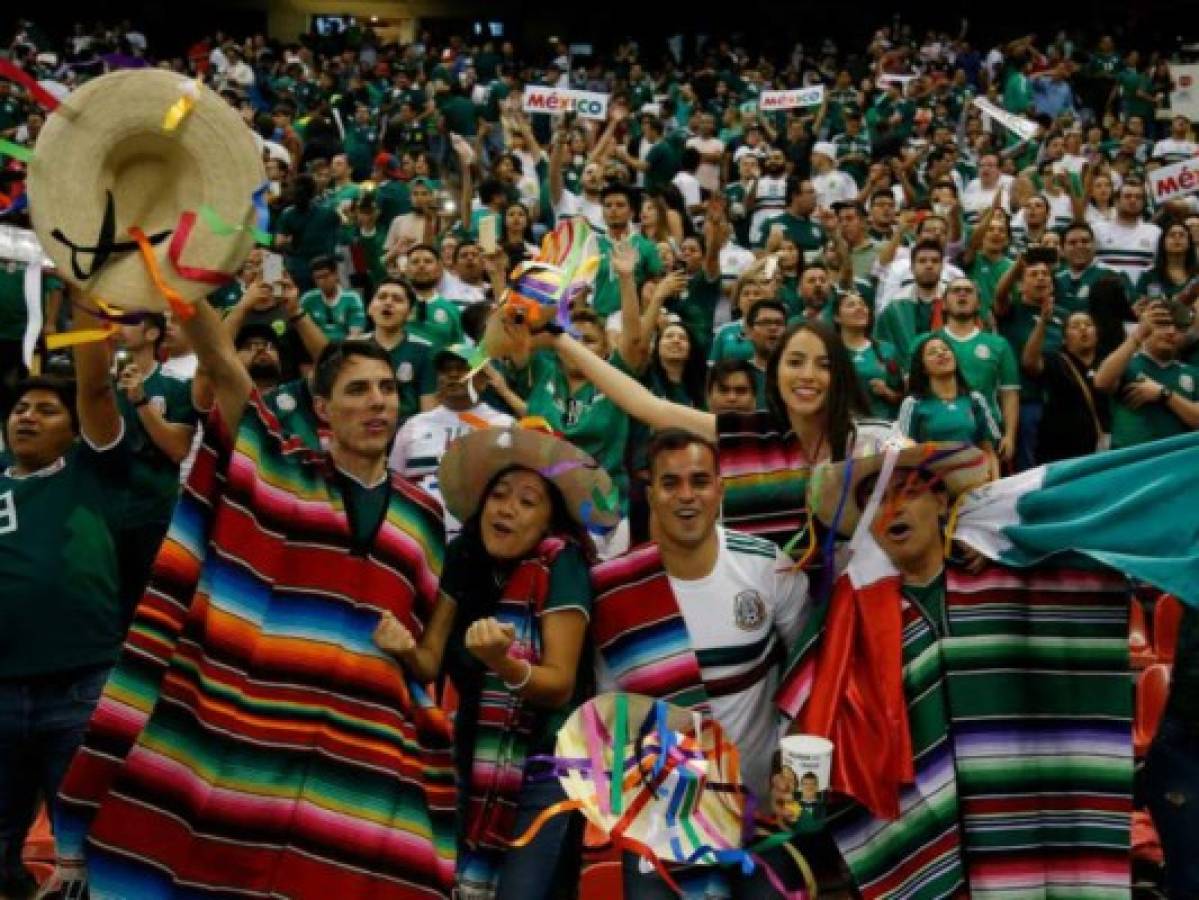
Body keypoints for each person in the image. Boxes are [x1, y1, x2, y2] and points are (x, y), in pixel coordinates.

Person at [55, 304, 459, 898]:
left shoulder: (423, 518)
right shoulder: (284, 475)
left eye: (385, 389)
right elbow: (225, 369)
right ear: (321, 409)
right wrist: (190, 293)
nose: (378, 402)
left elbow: (425, 660)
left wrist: (408, 650)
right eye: (357, 390)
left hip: (365, 745)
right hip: (253, 733)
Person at [773, 442, 1140, 900]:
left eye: (908, 492)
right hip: (921, 830)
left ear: (942, 500)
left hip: (1016, 812)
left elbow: (1097, 554)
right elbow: (816, 722)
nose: (893, 509)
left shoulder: (1003, 579)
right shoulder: (851, 622)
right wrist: (791, 782)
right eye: (875, 501)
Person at [377, 423, 609, 899]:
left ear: (550, 521)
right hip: (466, 760)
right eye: (500, 494)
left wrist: (505, 665)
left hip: (550, 768)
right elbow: (429, 661)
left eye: (528, 501)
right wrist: (402, 647)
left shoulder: (561, 564)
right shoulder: (463, 553)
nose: (507, 508)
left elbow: (561, 684)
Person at [590, 428, 808, 897]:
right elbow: (609, 718)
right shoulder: (615, 590)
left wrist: (792, 771)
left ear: (720, 490)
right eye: (670, 483)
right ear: (650, 494)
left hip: (762, 818)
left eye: (700, 481)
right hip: (660, 822)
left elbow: (809, 679)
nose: (686, 496)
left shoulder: (767, 568)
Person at [489, 311, 888, 554]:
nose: (807, 376)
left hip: (845, 615)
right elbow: (648, 406)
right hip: (763, 613)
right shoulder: (749, 434)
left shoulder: (867, 443)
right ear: (775, 372)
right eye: (795, 362)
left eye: (823, 365)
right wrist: (561, 341)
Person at [0, 306, 128, 900]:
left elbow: (97, 384)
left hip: (78, 686)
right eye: (20, 408)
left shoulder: (89, 470)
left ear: (75, 430)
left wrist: (84, 300)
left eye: (46, 409)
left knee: (86, 852)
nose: (27, 415)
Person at [111, 313, 199, 613]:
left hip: (155, 513)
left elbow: (177, 449)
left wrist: (140, 401)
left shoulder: (176, 386)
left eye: (129, 322)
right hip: (106, 514)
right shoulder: (102, 389)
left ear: (151, 335)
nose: (119, 328)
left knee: (152, 605)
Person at [389, 345, 515, 539]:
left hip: (480, 543)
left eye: (463, 367)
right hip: (420, 536)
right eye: (446, 370)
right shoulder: (413, 426)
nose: (453, 374)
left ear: (483, 379)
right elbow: (394, 487)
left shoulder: (505, 427)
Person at [936, 278, 1020, 465]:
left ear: (979, 303)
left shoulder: (999, 344)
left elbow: (1009, 393)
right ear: (944, 303)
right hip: (938, 434)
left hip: (986, 436)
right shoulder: (927, 342)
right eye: (955, 290)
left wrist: (1010, 436)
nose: (962, 294)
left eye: (968, 290)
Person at [1094, 300, 1199, 449]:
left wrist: (1164, 394)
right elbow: (1101, 382)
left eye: (1177, 327)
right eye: (1163, 325)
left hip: (1175, 462)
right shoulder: (1127, 364)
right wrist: (1137, 336)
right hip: (1132, 462)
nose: (1171, 332)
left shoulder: (1192, 373)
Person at [1022, 297, 1111, 462]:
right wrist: (1042, 323)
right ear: (1064, 338)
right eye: (1075, 326)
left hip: (1099, 451)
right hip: (1059, 451)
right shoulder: (1057, 360)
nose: (1083, 328)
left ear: (1097, 335)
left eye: (1088, 325)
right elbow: (1030, 363)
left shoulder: (1108, 362)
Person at [897, 335, 1001, 461]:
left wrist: (995, 480)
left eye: (945, 349)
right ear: (923, 368)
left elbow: (988, 451)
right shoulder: (913, 404)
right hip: (930, 478)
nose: (941, 353)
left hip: (974, 475)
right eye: (932, 352)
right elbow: (903, 453)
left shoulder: (975, 399)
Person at [364, 277, 437, 424]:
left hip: (408, 433)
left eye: (397, 299)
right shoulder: (352, 348)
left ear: (410, 313)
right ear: (370, 308)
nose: (388, 302)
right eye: (382, 297)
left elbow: (429, 411)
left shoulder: (424, 350)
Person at [833, 291, 904, 421]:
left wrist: (886, 392)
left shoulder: (887, 350)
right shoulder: (830, 351)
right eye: (851, 305)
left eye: (862, 305)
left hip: (882, 425)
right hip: (844, 426)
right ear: (837, 317)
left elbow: (901, 396)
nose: (859, 308)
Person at [272, 173, 343, 292]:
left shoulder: (287, 214)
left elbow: (278, 243)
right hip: (326, 270)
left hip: (299, 271)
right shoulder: (330, 213)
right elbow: (340, 234)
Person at [300, 254, 367, 341]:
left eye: (325, 276)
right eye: (318, 278)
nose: (322, 281)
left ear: (336, 274)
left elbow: (355, 334)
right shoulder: (307, 299)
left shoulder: (352, 298)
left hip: (346, 347)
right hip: (316, 348)